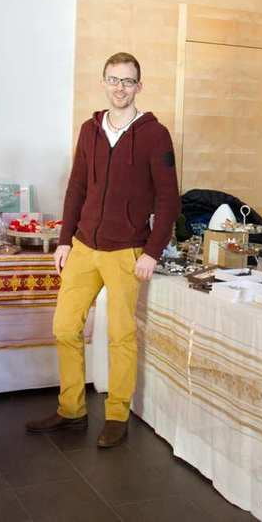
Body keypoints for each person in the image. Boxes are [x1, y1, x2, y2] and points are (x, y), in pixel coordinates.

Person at [26, 52, 180, 448]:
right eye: (114, 79)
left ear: (139, 86)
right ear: (103, 82)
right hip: (83, 246)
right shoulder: (89, 130)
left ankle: (116, 415)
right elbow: (77, 187)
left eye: (128, 81)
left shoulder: (154, 135)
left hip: (127, 250)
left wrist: (152, 251)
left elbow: (169, 199)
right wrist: (64, 240)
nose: (120, 88)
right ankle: (71, 410)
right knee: (64, 327)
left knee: (120, 335)